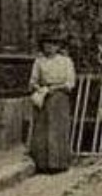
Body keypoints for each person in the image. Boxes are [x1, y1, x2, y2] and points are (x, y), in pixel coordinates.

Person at [28, 29, 77, 174]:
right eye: (46, 44)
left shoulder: (66, 61)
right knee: (43, 129)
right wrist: (40, 88)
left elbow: (70, 82)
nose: (49, 47)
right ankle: (43, 163)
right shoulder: (39, 61)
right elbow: (33, 81)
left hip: (60, 97)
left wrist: (55, 88)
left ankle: (59, 163)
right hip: (44, 96)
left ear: (58, 46)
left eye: (53, 44)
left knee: (58, 129)